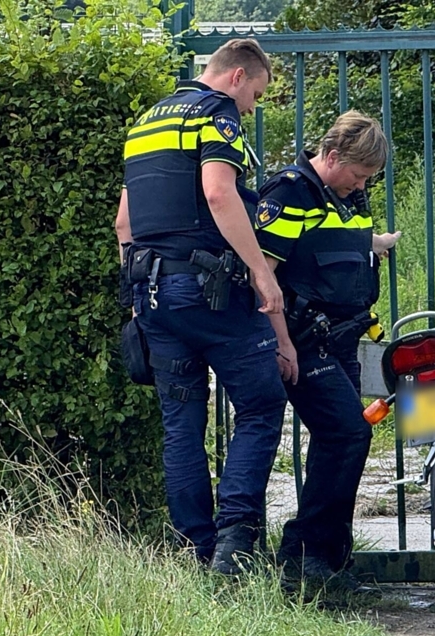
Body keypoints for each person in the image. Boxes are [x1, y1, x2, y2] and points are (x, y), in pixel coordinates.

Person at [114, 38, 288, 575]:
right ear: (237, 76)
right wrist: (261, 272)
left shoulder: (146, 123)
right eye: (255, 95)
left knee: (181, 423)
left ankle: (196, 549)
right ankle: (235, 545)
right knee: (261, 404)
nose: (252, 108)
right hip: (210, 291)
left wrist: (136, 297)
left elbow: (124, 223)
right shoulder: (216, 113)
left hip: (153, 294)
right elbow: (218, 193)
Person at [253, 110, 401, 592]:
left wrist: (373, 243)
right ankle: (304, 555)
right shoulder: (291, 192)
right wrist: (281, 342)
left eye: (368, 178)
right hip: (303, 338)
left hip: (343, 336)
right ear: (333, 156)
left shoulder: (346, 195)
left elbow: (330, 241)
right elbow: (264, 273)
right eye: (358, 174)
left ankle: (330, 561)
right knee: (347, 433)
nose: (361, 184)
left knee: (341, 441)